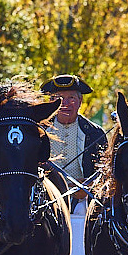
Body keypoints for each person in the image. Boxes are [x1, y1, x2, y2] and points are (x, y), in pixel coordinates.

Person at [39, 73, 107, 210]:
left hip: (83, 201)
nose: (65, 103)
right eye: (60, 98)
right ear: (52, 102)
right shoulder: (39, 132)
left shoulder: (95, 134)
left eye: (71, 98)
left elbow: (104, 171)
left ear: (80, 101)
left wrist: (88, 185)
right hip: (46, 199)